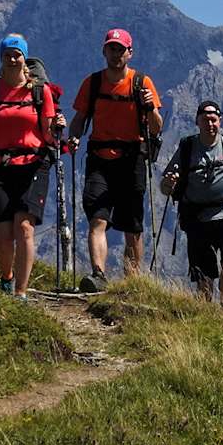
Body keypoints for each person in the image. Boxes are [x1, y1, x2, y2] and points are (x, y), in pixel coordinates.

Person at [0, 33, 64, 300]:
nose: (12, 59)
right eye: (7, 54)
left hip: (32, 165)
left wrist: (56, 129)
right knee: (3, 233)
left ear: (24, 59)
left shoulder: (40, 91)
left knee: (24, 227)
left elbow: (47, 136)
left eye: (17, 54)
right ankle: (6, 278)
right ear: (1, 58)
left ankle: (20, 292)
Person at [67, 28, 162, 291]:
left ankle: (132, 283)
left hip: (132, 161)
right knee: (98, 219)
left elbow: (156, 127)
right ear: (104, 51)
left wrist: (150, 106)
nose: (116, 53)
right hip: (99, 160)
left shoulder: (142, 83)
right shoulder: (92, 83)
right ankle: (98, 275)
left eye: (120, 49)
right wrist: (73, 138)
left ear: (129, 53)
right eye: (111, 48)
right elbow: (78, 121)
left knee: (132, 227)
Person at [160, 100, 223, 305]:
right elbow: (164, 187)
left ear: (220, 121)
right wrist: (169, 183)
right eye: (205, 120)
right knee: (204, 276)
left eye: (213, 120)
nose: (210, 124)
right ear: (197, 122)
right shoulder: (187, 148)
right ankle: (206, 314)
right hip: (197, 219)